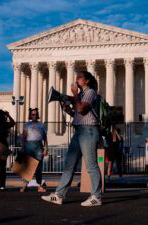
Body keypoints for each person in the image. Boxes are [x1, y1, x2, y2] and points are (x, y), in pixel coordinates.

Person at [42, 71, 102, 207]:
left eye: (80, 77)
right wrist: (67, 109)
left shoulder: (90, 92)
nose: (77, 79)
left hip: (88, 131)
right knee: (69, 165)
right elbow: (77, 113)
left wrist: (74, 94)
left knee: (91, 165)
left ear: (86, 81)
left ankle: (96, 197)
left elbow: (81, 109)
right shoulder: (81, 95)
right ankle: (59, 195)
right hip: (79, 131)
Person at [19, 108, 48, 192]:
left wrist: (46, 149)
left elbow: (45, 138)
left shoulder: (41, 125)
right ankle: (25, 185)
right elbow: (24, 137)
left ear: (37, 115)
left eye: (35, 114)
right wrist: (22, 147)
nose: (34, 116)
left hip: (38, 146)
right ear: (30, 115)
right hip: (28, 145)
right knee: (28, 167)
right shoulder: (26, 124)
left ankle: (39, 186)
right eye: (32, 114)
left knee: (39, 167)